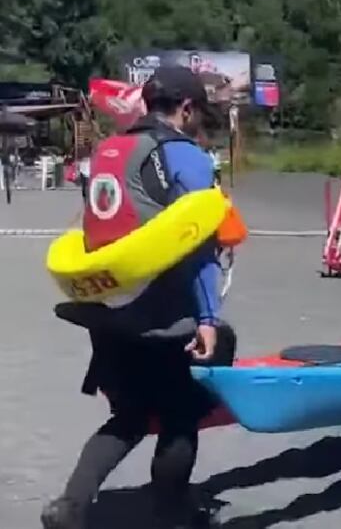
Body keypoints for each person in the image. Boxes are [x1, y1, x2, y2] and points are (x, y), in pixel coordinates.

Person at [42, 66, 224, 529]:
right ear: (186, 109)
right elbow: (200, 245)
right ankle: (172, 513)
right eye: (197, 112)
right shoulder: (183, 155)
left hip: (106, 310)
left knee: (132, 414)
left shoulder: (109, 149)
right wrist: (207, 318)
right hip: (164, 314)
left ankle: (71, 506)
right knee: (182, 412)